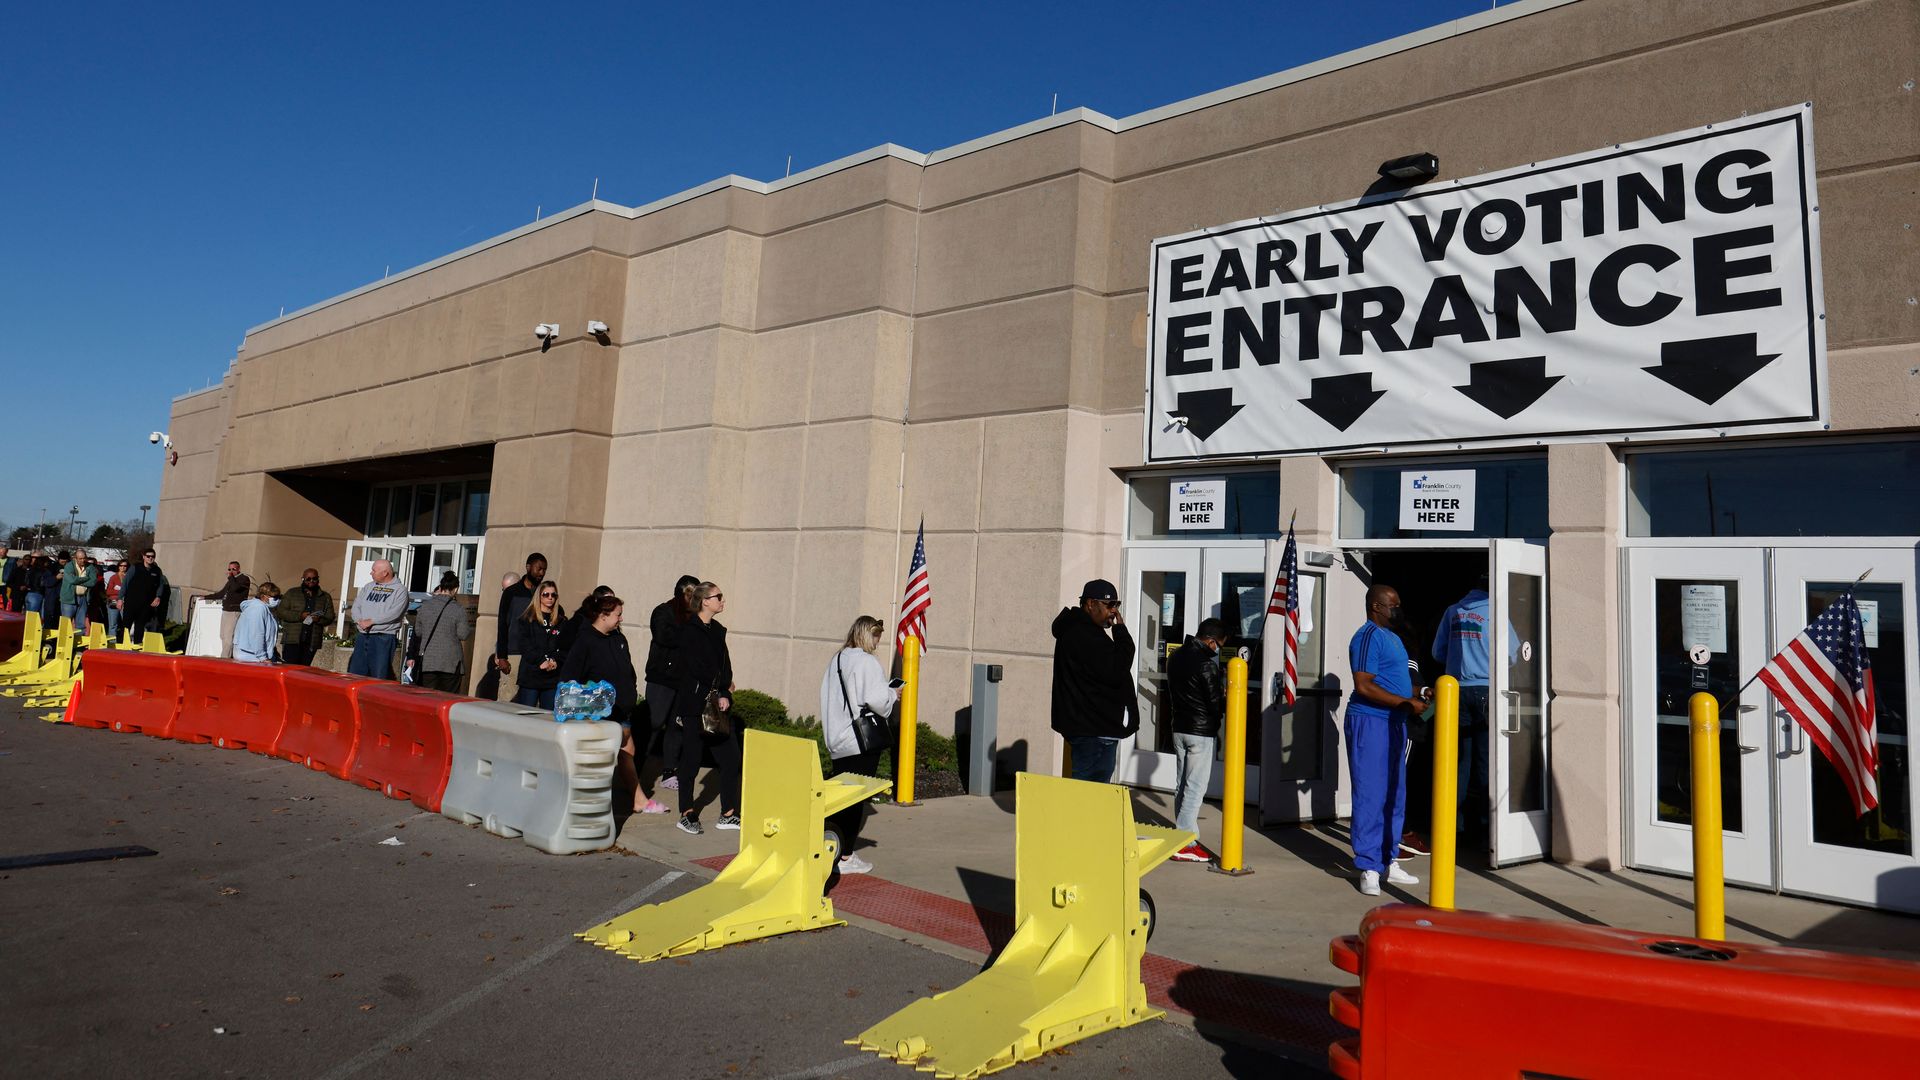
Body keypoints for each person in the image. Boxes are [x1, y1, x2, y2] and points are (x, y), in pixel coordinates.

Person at [1347, 584, 1429, 897]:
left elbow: (1394, 683)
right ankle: (1369, 866)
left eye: (1399, 603)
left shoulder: (1394, 639)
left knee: (1395, 792)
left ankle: (1389, 859)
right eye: (1392, 604)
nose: (1398, 609)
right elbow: (1364, 686)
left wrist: (1419, 694)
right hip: (1369, 721)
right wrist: (1405, 704)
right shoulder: (1367, 636)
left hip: (1395, 722)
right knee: (1370, 793)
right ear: (1376, 607)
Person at [1431, 575, 1517, 843]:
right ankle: (1486, 831)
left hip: (1454, 690)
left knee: (1457, 762)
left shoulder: (1452, 611)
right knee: (1486, 762)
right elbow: (1513, 654)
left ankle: (1451, 828)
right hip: (1486, 690)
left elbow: (1437, 653)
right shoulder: (1496, 611)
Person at [819, 615, 899, 876]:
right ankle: (845, 855)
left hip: (837, 738)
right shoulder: (867, 662)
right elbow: (876, 701)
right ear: (868, 634)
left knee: (840, 798)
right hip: (860, 741)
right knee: (855, 800)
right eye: (876, 637)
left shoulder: (838, 659)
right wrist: (892, 694)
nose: (878, 643)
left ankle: (831, 846)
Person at [1050, 578, 1139, 783]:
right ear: (1090, 604)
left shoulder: (1081, 630)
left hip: (1090, 727)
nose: (1114, 612)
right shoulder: (1084, 634)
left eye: (1117, 605)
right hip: (1093, 730)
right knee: (1089, 792)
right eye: (1109, 605)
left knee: (1090, 792)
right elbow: (1117, 669)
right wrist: (1121, 631)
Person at [555, 593, 640, 806]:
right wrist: (592, 700)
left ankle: (637, 799)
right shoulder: (585, 640)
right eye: (618, 614)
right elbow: (569, 680)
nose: (621, 619)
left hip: (623, 709)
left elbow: (627, 670)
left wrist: (631, 688)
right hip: (601, 713)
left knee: (627, 751)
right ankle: (628, 799)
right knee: (609, 756)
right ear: (603, 615)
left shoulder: (618, 639)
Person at [669, 581, 737, 836]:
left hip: (717, 704)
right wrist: (717, 690)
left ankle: (728, 813)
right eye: (718, 596)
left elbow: (724, 666)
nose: (722, 600)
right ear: (705, 601)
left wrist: (723, 692)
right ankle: (686, 812)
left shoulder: (718, 630)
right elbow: (695, 668)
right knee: (691, 759)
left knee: (730, 759)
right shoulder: (689, 631)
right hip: (694, 703)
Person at [1167, 618, 1229, 862]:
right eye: (1219, 646)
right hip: (1200, 732)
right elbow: (1214, 704)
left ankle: (1184, 838)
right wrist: (1226, 697)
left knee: (1181, 784)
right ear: (1211, 641)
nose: (1218, 651)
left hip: (1179, 727)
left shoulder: (1176, 657)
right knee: (1195, 787)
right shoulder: (1206, 665)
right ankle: (1185, 840)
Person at [640, 574, 701, 814]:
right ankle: (636, 773)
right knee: (653, 724)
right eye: (689, 595)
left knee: (676, 727)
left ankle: (669, 771)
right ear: (680, 593)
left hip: (682, 680)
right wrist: (689, 633)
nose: (692, 600)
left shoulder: (694, 618)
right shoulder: (663, 612)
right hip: (661, 678)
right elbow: (664, 636)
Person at [406, 572, 470, 691]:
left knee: (428, 698)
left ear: (440, 587)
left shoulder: (424, 607)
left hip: (428, 661)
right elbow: (463, 634)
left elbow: (419, 632)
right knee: (447, 698)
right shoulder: (458, 609)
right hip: (451, 662)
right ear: (455, 589)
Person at [347, 558, 410, 679]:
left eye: (374, 570)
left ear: (385, 573)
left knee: (378, 675)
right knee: (355, 674)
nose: (371, 573)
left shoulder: (400, 590)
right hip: (363, 635)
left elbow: (394, 613)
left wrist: (371, 621)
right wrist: (359, 620)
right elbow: (356, 605)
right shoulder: (368, 586)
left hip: (383, 638)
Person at [510, 580, 567, 709]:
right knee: (526, 715)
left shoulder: (562, 621)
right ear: (539, 596)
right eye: (546, 594)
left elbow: (565, 647)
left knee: (548, 718)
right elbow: (525, 645)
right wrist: (541, 660)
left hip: (552, 678)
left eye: (554, 595)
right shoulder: (528, 619)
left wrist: (556, 661)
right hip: (531, 675)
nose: (550, 598)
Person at [493, 552, 546, 679]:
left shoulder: (544, 594)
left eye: (544, 570)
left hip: (538, 657)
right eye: (539, 568)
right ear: (528, 567)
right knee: (508, 698)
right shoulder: (511, 592)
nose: (542, 573)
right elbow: (502, 625)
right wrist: (502, 656)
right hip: (514, 654)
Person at [276, 567, 336, 665]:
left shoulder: (325, 597)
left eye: (314, 578)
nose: (311, 581)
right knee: (289, 669)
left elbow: (330, 617)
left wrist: (319, 619)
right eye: (308, 579)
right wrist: (300, 616)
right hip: (292, 639)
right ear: (303, 579)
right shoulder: (292, 593)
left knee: (304, 670)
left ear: (318, 579)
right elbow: (281, 611)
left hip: (312, 640)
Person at [119, 548, 169, 638]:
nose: (150, 558)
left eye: (152, 556)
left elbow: (160, 585)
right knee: (126, 626)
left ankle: (137, 646)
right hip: (131, 603)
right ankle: (120, 646)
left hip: (146, 604)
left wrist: (158, 597)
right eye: (148, 556)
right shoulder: (135, 567)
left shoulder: (157, 570)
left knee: (140, 626)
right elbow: (125, 583)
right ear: (144, 557)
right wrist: (120, 599)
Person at [232, 582, 283, 662]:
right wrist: (262, 657)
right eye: (275, 597)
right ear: (263, 597)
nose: (278, 600)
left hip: (257, 655)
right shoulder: (258, 608)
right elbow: (257, 634)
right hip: (250, 655)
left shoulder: (268, 609)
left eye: (279, 597)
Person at [211, 560, 252, 658]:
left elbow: (235, 588)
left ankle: (224, 659)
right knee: (223, 636)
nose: (231, 571)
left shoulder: (243, 579)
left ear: (239, 569)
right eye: (229, 569)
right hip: (226, 610)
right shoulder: (232, 580)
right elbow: (221, 593)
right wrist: (206, 597)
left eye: (233, 569)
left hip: (234, 611)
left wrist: (231, 577)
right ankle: (228, 657)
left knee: (228, 638)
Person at [60, 551, 100, 634]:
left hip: (83, 598)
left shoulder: (90, 567)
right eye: (80, 559)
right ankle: (63, 643)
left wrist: (77, 581)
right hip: (69, 598)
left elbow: (93, 582)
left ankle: (79, 644)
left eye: (84, 558)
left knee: (81, 624)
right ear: (75, 558)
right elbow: (71, 580)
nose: (83, 560)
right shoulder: (69, 566)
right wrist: (86, 578)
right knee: (66, 622)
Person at [103, 560, 127, 641]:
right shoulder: (114, 577)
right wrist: (121, 591)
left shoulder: (129, 577)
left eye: (125, 566)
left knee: (126, 624)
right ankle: (112, 644)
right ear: (118, 566)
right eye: (121, 565)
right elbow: (108, 591)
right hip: (113, 603)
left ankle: (125, 642)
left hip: (125, 603)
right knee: (113, 625)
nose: (123, 567)